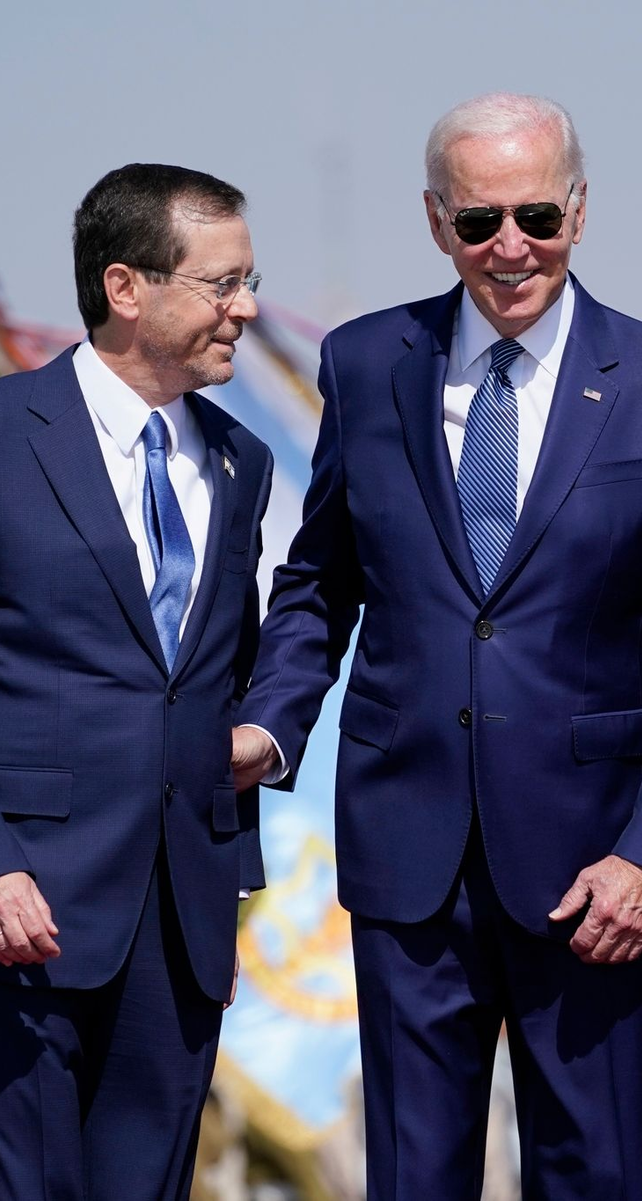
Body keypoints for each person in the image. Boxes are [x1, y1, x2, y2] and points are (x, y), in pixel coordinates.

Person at [232, 91, 642, 1199]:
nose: (510, 247)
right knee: (413, 1177)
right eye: (479, 223)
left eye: (536, 217)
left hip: (596, 874)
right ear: (436, 221)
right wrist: (270, 726)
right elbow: (320, 581)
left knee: (596, 1172)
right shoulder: (369, 364)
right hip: (406, 861)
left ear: (578, 209)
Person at [0, 163, 273, 1200]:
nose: (245, 307)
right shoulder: (7, 434)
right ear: (126, 288)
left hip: (178, 935)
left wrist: (226, 888)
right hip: (25, 913)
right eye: (221, 282)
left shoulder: (243, 464)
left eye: (251, 279)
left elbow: (219, 677)